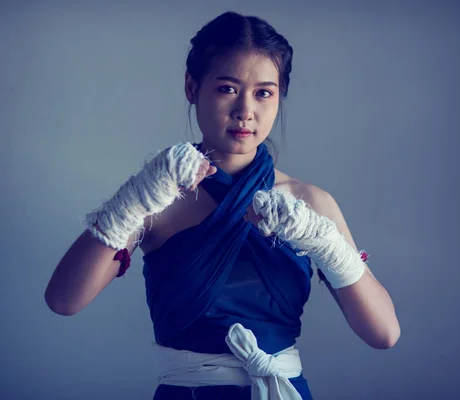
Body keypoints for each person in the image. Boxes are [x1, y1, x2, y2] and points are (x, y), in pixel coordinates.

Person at [45, 11, 400, 400]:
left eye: (264, 92)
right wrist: (133, 201)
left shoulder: (309, 203)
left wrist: (326, 243)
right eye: (228, 88)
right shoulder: (156, 198)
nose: (246, 110)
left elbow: (384, 334)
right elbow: (64, 300)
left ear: (280, 97)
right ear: (191, 87)